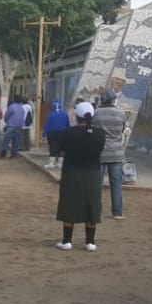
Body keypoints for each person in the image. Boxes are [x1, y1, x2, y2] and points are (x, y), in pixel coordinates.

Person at [55, 101, 106, 251]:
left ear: (77, 117)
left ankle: (67, 241)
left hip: (71, 172)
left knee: (69, 204)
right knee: (91, 205)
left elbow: (60, 151)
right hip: (93, 174)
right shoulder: (100, 134)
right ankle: (90, 242)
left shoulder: (68, 133)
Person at [93, 89, 128, 220]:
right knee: (116, 184)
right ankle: (117, 212)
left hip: (99, 152)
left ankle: (95, 211)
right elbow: (122, 130)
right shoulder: (121, 113)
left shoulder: (96, 113)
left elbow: (93, 130)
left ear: (102, 100)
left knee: (97, 184)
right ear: (114, 100)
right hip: (116, 153)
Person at [42, 99, 70, 169]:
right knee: (62, 148)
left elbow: (47, 125)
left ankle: (51, 163)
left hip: (52, 134)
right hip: (63, 134)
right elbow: (68, 125)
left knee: (52, 148)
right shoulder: (65, 114)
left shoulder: (50, 115)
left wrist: (44, 135)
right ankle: (60, 164)